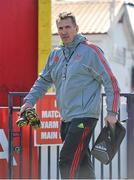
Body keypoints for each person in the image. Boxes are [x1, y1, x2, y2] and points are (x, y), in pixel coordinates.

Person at [20, 12, 120, 179]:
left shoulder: (91, 51)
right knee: (81, 164)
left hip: (85, 117)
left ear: (76, 28)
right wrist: (29, 102)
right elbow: (44, 80)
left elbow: (111, 82)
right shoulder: (56, 54)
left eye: (67, 27)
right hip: (66, 118)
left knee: (66, 160)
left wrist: (112, 112)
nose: (64, 31)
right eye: (60, 28)